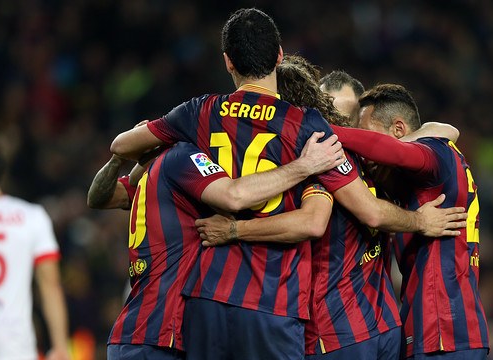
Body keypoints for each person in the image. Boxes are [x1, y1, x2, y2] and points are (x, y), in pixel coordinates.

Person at [109, 9, 467, 360]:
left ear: (228, 62)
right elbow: (362, 211)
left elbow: (120, 149)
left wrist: (150, 148)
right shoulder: (308, 132)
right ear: (278, 56)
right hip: (278, 305)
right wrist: (420, 220)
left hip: (209, 296)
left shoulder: (199, 114)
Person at [196, 56, 466, 360]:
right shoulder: (352, 163)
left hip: (339, 334)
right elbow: (444, 132)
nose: (335, 120)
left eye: (348, 117)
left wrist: (234, 229)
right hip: (377, 329)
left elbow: (320, 220)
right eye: (330, 110)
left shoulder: (326, 161)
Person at [89, 131, 344, 359]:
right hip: (158, 332)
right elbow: (234, 196)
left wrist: (120, 158)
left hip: (136, 328)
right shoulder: (182, 159)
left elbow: (98, 197)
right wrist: (304, 165)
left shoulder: (155, 181)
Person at [332, 84, 490, 359]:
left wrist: (324, 132)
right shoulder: (416, 180)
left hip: (443, 330)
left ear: (398, 130)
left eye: (365, 135)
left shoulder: (434, 153)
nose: (364, 155)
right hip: (438, 327)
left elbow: (399, 152)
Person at [0, 144, 70, 360]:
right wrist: (60, 346)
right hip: (14, 344)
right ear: (1, 174)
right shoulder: (31, 216)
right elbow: (49, 283)